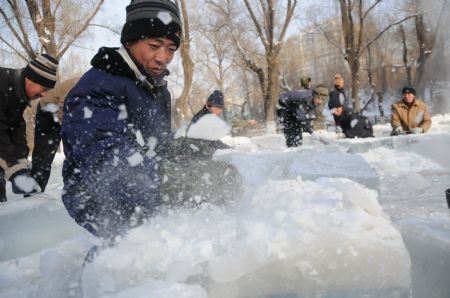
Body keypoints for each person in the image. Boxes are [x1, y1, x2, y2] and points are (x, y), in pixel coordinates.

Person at [61, 0, 182, 239]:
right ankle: (110, 269)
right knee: (135, 247)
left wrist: (188, 154)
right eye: (154, 45)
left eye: (171, 49)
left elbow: (158, 145)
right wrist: (170, 178)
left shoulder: (157, 89)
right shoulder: (98, 85)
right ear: (129, 42)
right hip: (95, 192)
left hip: (145, 181)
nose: (163, 58)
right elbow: (104, 155)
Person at [0, 54, 59, 203]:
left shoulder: (17, 95)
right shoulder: (2, 86)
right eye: (44, 88)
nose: (44, 94)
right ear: (31, 79)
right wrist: (14, 168)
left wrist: (21, 161)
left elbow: (16, 129)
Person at [31, 77, 79, 192]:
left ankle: (77, 189)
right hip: (47, 110)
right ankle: (33, 193)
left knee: (77, 152)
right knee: (44, 156)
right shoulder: (86, 82)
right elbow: (64, 103)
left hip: (60, 111)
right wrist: (66, 127)